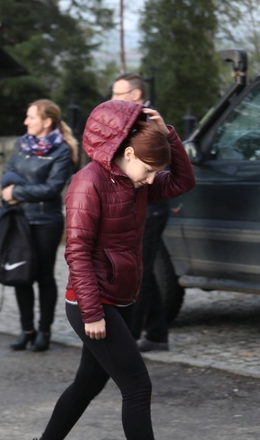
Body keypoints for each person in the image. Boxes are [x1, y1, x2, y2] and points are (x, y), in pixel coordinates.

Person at [36, 100, 195, 439]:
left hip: (123, 298)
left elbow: (182, 182)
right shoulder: (88, 183)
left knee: (87, 384)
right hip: (93, 304)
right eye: (149, 171)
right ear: (130, 155)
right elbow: (77, 252)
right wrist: (92, 313)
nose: (153, 181)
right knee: (138, 387)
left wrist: (166, 133)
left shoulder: (133, 183)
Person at [0, 99, 78, 352]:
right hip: (19, 219)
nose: (26, 122)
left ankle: (44, 331)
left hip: (46, 221)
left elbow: (52, 189)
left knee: (43, 276)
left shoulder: (62, 150)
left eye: (31, 117)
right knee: (21, 274)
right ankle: (27, 330)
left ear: (47, 122)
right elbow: (7, 175)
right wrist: (16, 189)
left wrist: (17, 191)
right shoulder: (21, 145)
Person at [111, 73, 172, 352]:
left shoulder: (149, 125)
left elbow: (167, 171)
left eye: (118, 95)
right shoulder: (127, 123)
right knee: (144, 270)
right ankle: (157, 333)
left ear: (135, 95)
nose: (112, 100)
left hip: (150, 208)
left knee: (140, 272)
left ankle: (132, 337)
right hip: (141, 207)